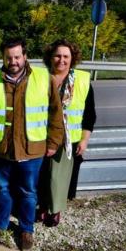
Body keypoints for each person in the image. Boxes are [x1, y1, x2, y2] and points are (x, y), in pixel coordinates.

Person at [0, 38, 64, 251]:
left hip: (32, 150)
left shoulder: (43, 78)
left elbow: (56, 114)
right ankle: (1, 223)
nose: (13, 61)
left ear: (25, 56)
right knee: (2, 190)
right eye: (8, 57)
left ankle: (26, 229)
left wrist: (53, 142)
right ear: (3, 58)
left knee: (28, 192)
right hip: (0, 149)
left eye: (17, 56)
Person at [38, 39, 96, 227]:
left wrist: (84, 140)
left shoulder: (82, 80)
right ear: (50, 57)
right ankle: (41, 205)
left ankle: (55, 209)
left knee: (58, 177)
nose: (61, 60)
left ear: (72, 59)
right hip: (41, 134)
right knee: (40, 173)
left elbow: (89, 114)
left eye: (66, 56)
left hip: (68, 138)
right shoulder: (40, 78)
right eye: (57, 55)